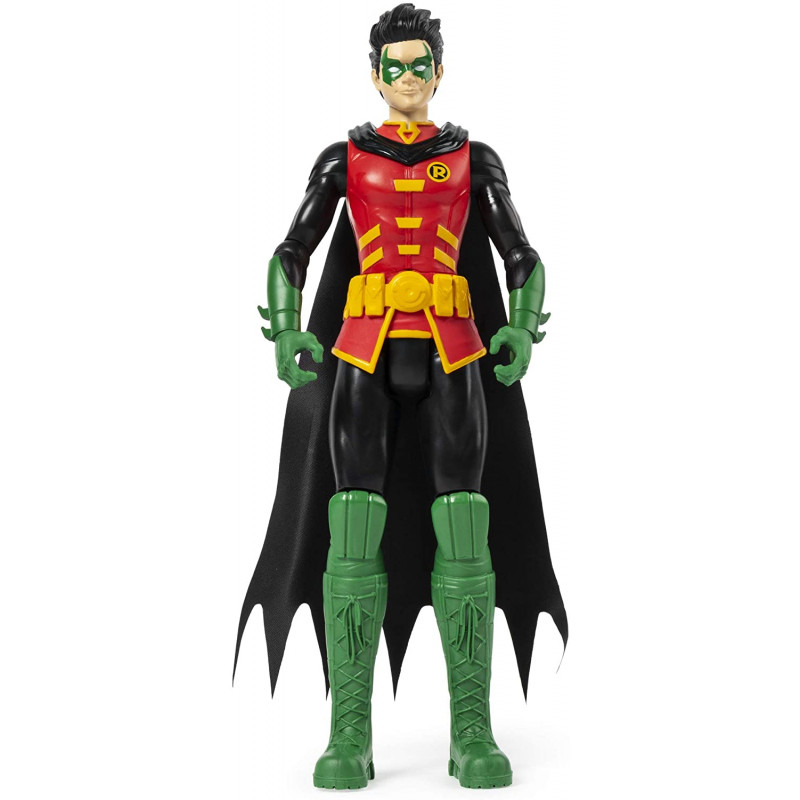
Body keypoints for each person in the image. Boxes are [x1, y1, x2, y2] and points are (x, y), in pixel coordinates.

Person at [235, 3, 567, 790]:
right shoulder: (345, 159)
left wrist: (521, 327)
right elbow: (292, 249)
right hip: (364, 347)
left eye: (421, 65)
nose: (409, 77)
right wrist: (286, 329)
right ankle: (349, 734)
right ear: (375, 73)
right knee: (351, 518)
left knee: (466, 520)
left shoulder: (472, 159)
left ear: (440, 71)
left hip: (455, 348)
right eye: (396, 66)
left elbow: (520, 253)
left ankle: (471, 731)